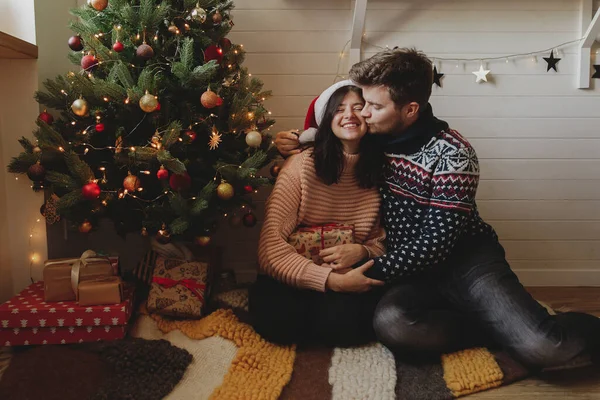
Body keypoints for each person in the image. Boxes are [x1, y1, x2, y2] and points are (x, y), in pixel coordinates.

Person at [274, 48, 600, 369]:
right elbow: (330, 137)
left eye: (373, 106)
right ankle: (493, 328)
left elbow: (436, 244)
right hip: (408, 271)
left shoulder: (454, 154)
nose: (363, 114)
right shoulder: (373, 137)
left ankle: (559, 327)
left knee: (544, 349)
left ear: (410, 109)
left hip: (467, 262)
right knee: (393, 326)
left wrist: (364, 269)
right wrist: (290, 140)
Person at [249, 82, 387, 347]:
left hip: (348, 270)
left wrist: (363, 252)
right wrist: (330, 281)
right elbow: (269, 249)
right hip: (293, 273)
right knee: (278, 321)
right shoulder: (301, 165)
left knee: (349, 322)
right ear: (327, 120)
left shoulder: (379, 170)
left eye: (358, 108)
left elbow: (380, 242)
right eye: (339, 109)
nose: (349, 115)